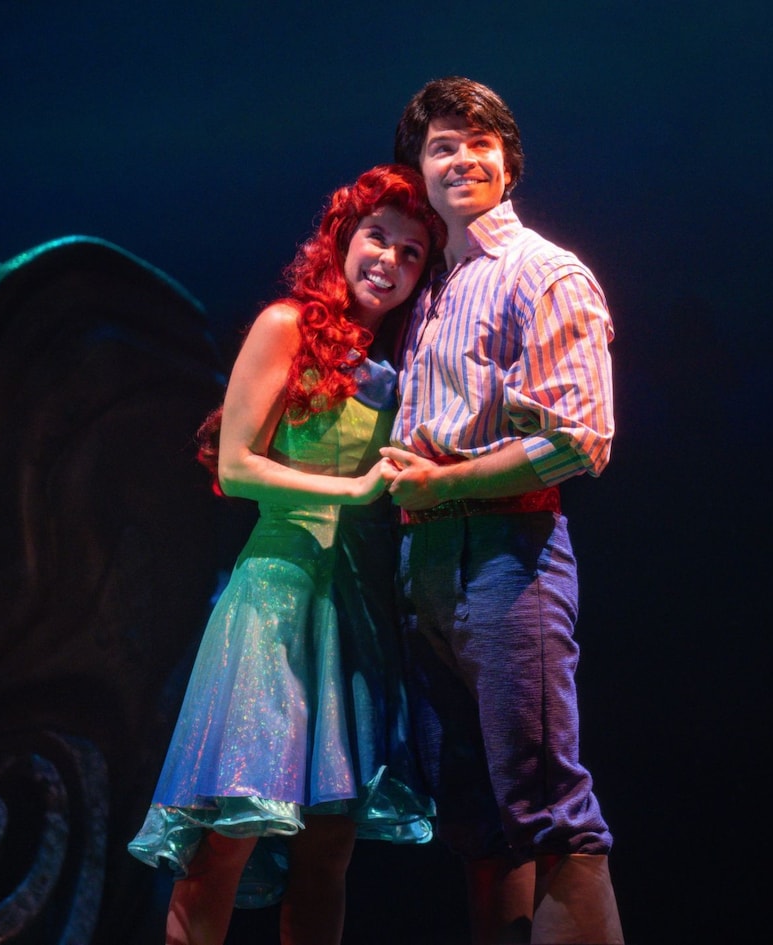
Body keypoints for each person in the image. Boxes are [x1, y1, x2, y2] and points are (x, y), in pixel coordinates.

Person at [128, 164, 446, 945]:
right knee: (224, 843)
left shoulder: (390, 371)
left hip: (354, 615)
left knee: (328, 853)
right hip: (273, 603)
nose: (391, 262)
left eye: (411, 253)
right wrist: (358, 489)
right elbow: (237, 466)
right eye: (378, 237)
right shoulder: (285, 326)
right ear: (342, 237)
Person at [381, 77, 623, 944]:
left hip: (508, 553)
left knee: (548, 808)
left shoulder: (543, 272)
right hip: (429, 565)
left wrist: (444, 483)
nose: (464, 158)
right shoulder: (433, 290)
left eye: (481, 142)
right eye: (443, 145)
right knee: (478, 820)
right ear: (418, 170)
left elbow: (579, 439)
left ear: (510, 163)